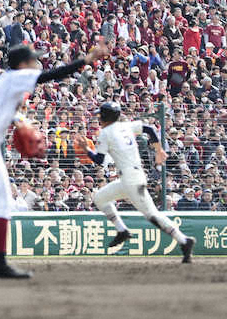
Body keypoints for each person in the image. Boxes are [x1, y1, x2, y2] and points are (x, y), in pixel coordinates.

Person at [0, 42, 109, 278]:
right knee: (1, 203)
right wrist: (85, 60)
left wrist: (20, 120)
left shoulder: (4, 83)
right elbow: (49, 76)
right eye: (33, 59)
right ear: (23, 64)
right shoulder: (16, 77)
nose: (37, 63)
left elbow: (0, 111)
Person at [75, 102, 195, 262]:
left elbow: (99, 160)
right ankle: (122, 230)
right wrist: (159, 150)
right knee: (99, 198)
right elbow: (150, 129)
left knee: (152, 214)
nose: (99, 118)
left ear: (105, 117)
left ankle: (184, 241)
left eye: (100, 115)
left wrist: (87, 150)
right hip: (129, 178)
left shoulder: (106, 133)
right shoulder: (126, 126)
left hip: (131, 179)